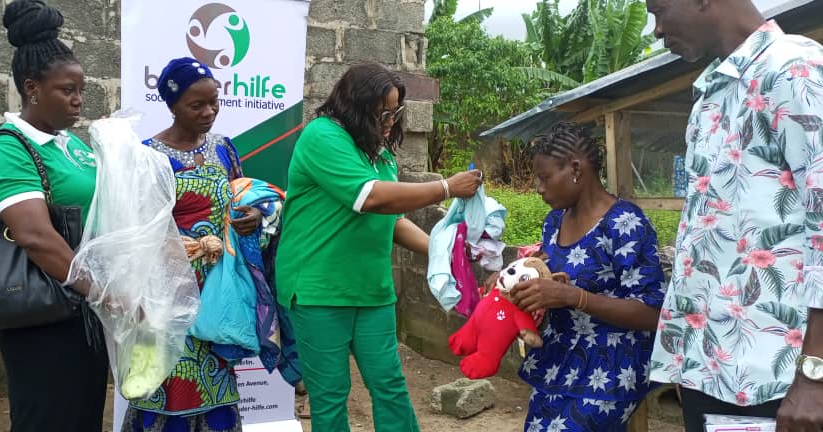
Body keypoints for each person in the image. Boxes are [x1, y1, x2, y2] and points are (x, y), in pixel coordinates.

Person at [275, 63, 483, 432]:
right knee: (330, 395)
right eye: (381, 113)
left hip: (372, 290)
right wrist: (446, 188)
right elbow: (369, 198)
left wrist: (446, 251)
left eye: (395, 112)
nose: (389, 121)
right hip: (318, 290)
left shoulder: (379, 151)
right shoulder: (322, 136)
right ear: (355, 106)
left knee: (390, 386)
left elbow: (392, 220)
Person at [645, 1, 823, 430]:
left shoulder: (794, 69)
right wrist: (688, 359)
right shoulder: (713, 91)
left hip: (780, 380)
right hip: (714, 371)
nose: (657, 29)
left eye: (660, 10)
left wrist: (816, 373)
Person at [0, 1, 107, 430]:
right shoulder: (11, 146)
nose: (78, 100)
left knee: (83, 413)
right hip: (41, 310)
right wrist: (103, 291)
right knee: (48, 416)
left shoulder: (71, 144)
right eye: (67, 90)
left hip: (82, 307)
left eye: (81, 89)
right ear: (32, 88)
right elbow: (34, 235)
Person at [118, 57, 262, 432]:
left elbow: (239, 198)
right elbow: (133, 228)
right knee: (168, 379)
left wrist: (250, 218)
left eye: (214, 102)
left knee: (216, 376)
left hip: (218, 288)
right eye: (196, 105)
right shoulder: (149, 156)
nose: (209, 112)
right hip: (167, 291)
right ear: (172, 106)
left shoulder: (224, 148)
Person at [501, 122, 666, 431]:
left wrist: (574, 297)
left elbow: (653, 313)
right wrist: (509, 281)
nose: (539, 188)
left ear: (576, 169)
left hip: (610, 366)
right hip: (559, 360)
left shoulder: (624, 223)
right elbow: (546, 271)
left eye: (545, 178)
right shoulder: (555, 222)